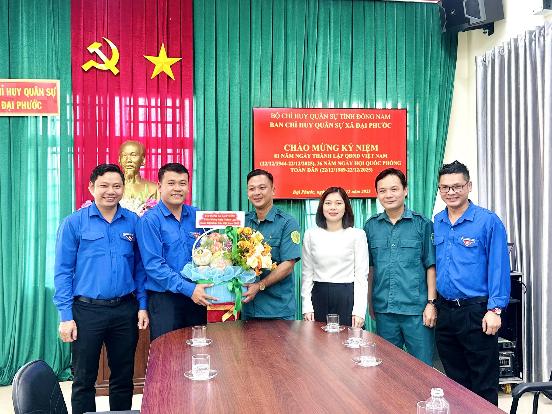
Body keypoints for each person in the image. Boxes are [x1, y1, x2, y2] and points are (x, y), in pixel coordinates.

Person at [53, 164, 148, 414]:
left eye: (117, 186)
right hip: (87, 311)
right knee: (84, 379)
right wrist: (66, 317)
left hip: (125, 310)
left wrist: (142, 305)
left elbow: (140, 268)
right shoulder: (74, 223)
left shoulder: (133, 221)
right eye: (104, 186)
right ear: (91, 187)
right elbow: (63, 272)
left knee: (123, 377)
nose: (110, 191)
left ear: (123, 188)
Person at [433, 160, 510, 405]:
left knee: (483, 383)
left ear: (469, 186)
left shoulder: (487, 221)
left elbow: (499, 267)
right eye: (445, 187)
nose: (451, 192)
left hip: (476, 312)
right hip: (446, 312)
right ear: (439, 189)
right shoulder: (438, 221)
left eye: (457, 186)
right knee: (455, 383)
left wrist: (495, 310)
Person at [363, 168, 437, 366]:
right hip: (384, 310)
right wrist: (370, 302)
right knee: (387, 367)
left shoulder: (422, 224)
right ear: (377, 194)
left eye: (394, 189)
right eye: (383, 190)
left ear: (405, 190)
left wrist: (431, 304)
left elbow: (431, 266)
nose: (388, 195)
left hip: (416, 311)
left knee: (422, 368)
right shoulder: (371, 226)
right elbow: (370, 268)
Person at [136, 163, 216, 340]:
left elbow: (213, 249)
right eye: (171, 183)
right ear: (159, 186)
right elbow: (154, 266)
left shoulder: (198, 215)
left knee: (197, 349)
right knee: (167, 352)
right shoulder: (149, 221)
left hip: (197, 298)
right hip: (165, 300)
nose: (177, 188)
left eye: (182, 183)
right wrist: (189, 289)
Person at [301, 187, 368, 328]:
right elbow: (307, 273)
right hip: (319, 296)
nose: (333, 207)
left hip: (347, 296)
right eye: (328, 203)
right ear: (322, 207)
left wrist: (359, 311)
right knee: (317, 340)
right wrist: (306, 306)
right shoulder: (311, 234)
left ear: (346, 207)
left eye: (338, 203)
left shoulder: (357, 235)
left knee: (348, 340)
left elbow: (361, 276)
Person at [241, 169, 301, 320]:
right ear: (247, 193)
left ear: (273, 190)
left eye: (262, 188)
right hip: (248, 309)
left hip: (278, 311)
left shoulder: (288, 223)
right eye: (252, 189)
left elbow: (288, 265)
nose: (257, 193)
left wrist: (259, 285)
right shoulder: (242, 222)